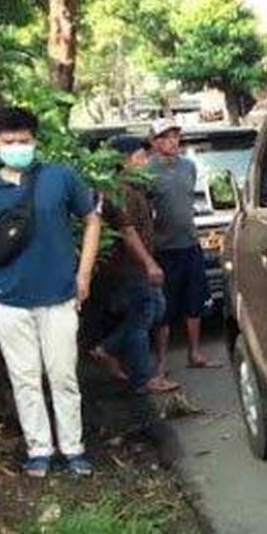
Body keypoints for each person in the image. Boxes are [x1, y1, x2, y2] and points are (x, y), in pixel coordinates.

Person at [0, 106, 101, 478]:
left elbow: (91, 219)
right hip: (6, 299)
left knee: (63, 375)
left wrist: (84, 274)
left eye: (24, 141)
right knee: (25, 377)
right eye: (9, 141)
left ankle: (73, 447)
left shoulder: (59, 177)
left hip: (60, 293)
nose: (17, 147)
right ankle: (39, 449)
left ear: (35, 141)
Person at [90, 134, 179, 395]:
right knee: (141, 318)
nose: (145, 161)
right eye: (140, 157)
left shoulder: (134, 187)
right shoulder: (121, 191)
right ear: (124, 161)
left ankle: (108, 350)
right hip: (130, 266)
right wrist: (149, 263)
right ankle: (142, 377)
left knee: (154, 310)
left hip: (136, 265)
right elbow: (128, 232)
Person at [148, 118, 219, 373]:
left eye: (175, 136)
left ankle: (195, 352)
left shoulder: (188, 167)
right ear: (155, 142)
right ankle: (161, 362)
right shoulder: (147, 170)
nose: (172, 142)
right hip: (163, 248)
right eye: (166, 137)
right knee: (164, 309)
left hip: (189, 243)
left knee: (195, 302)